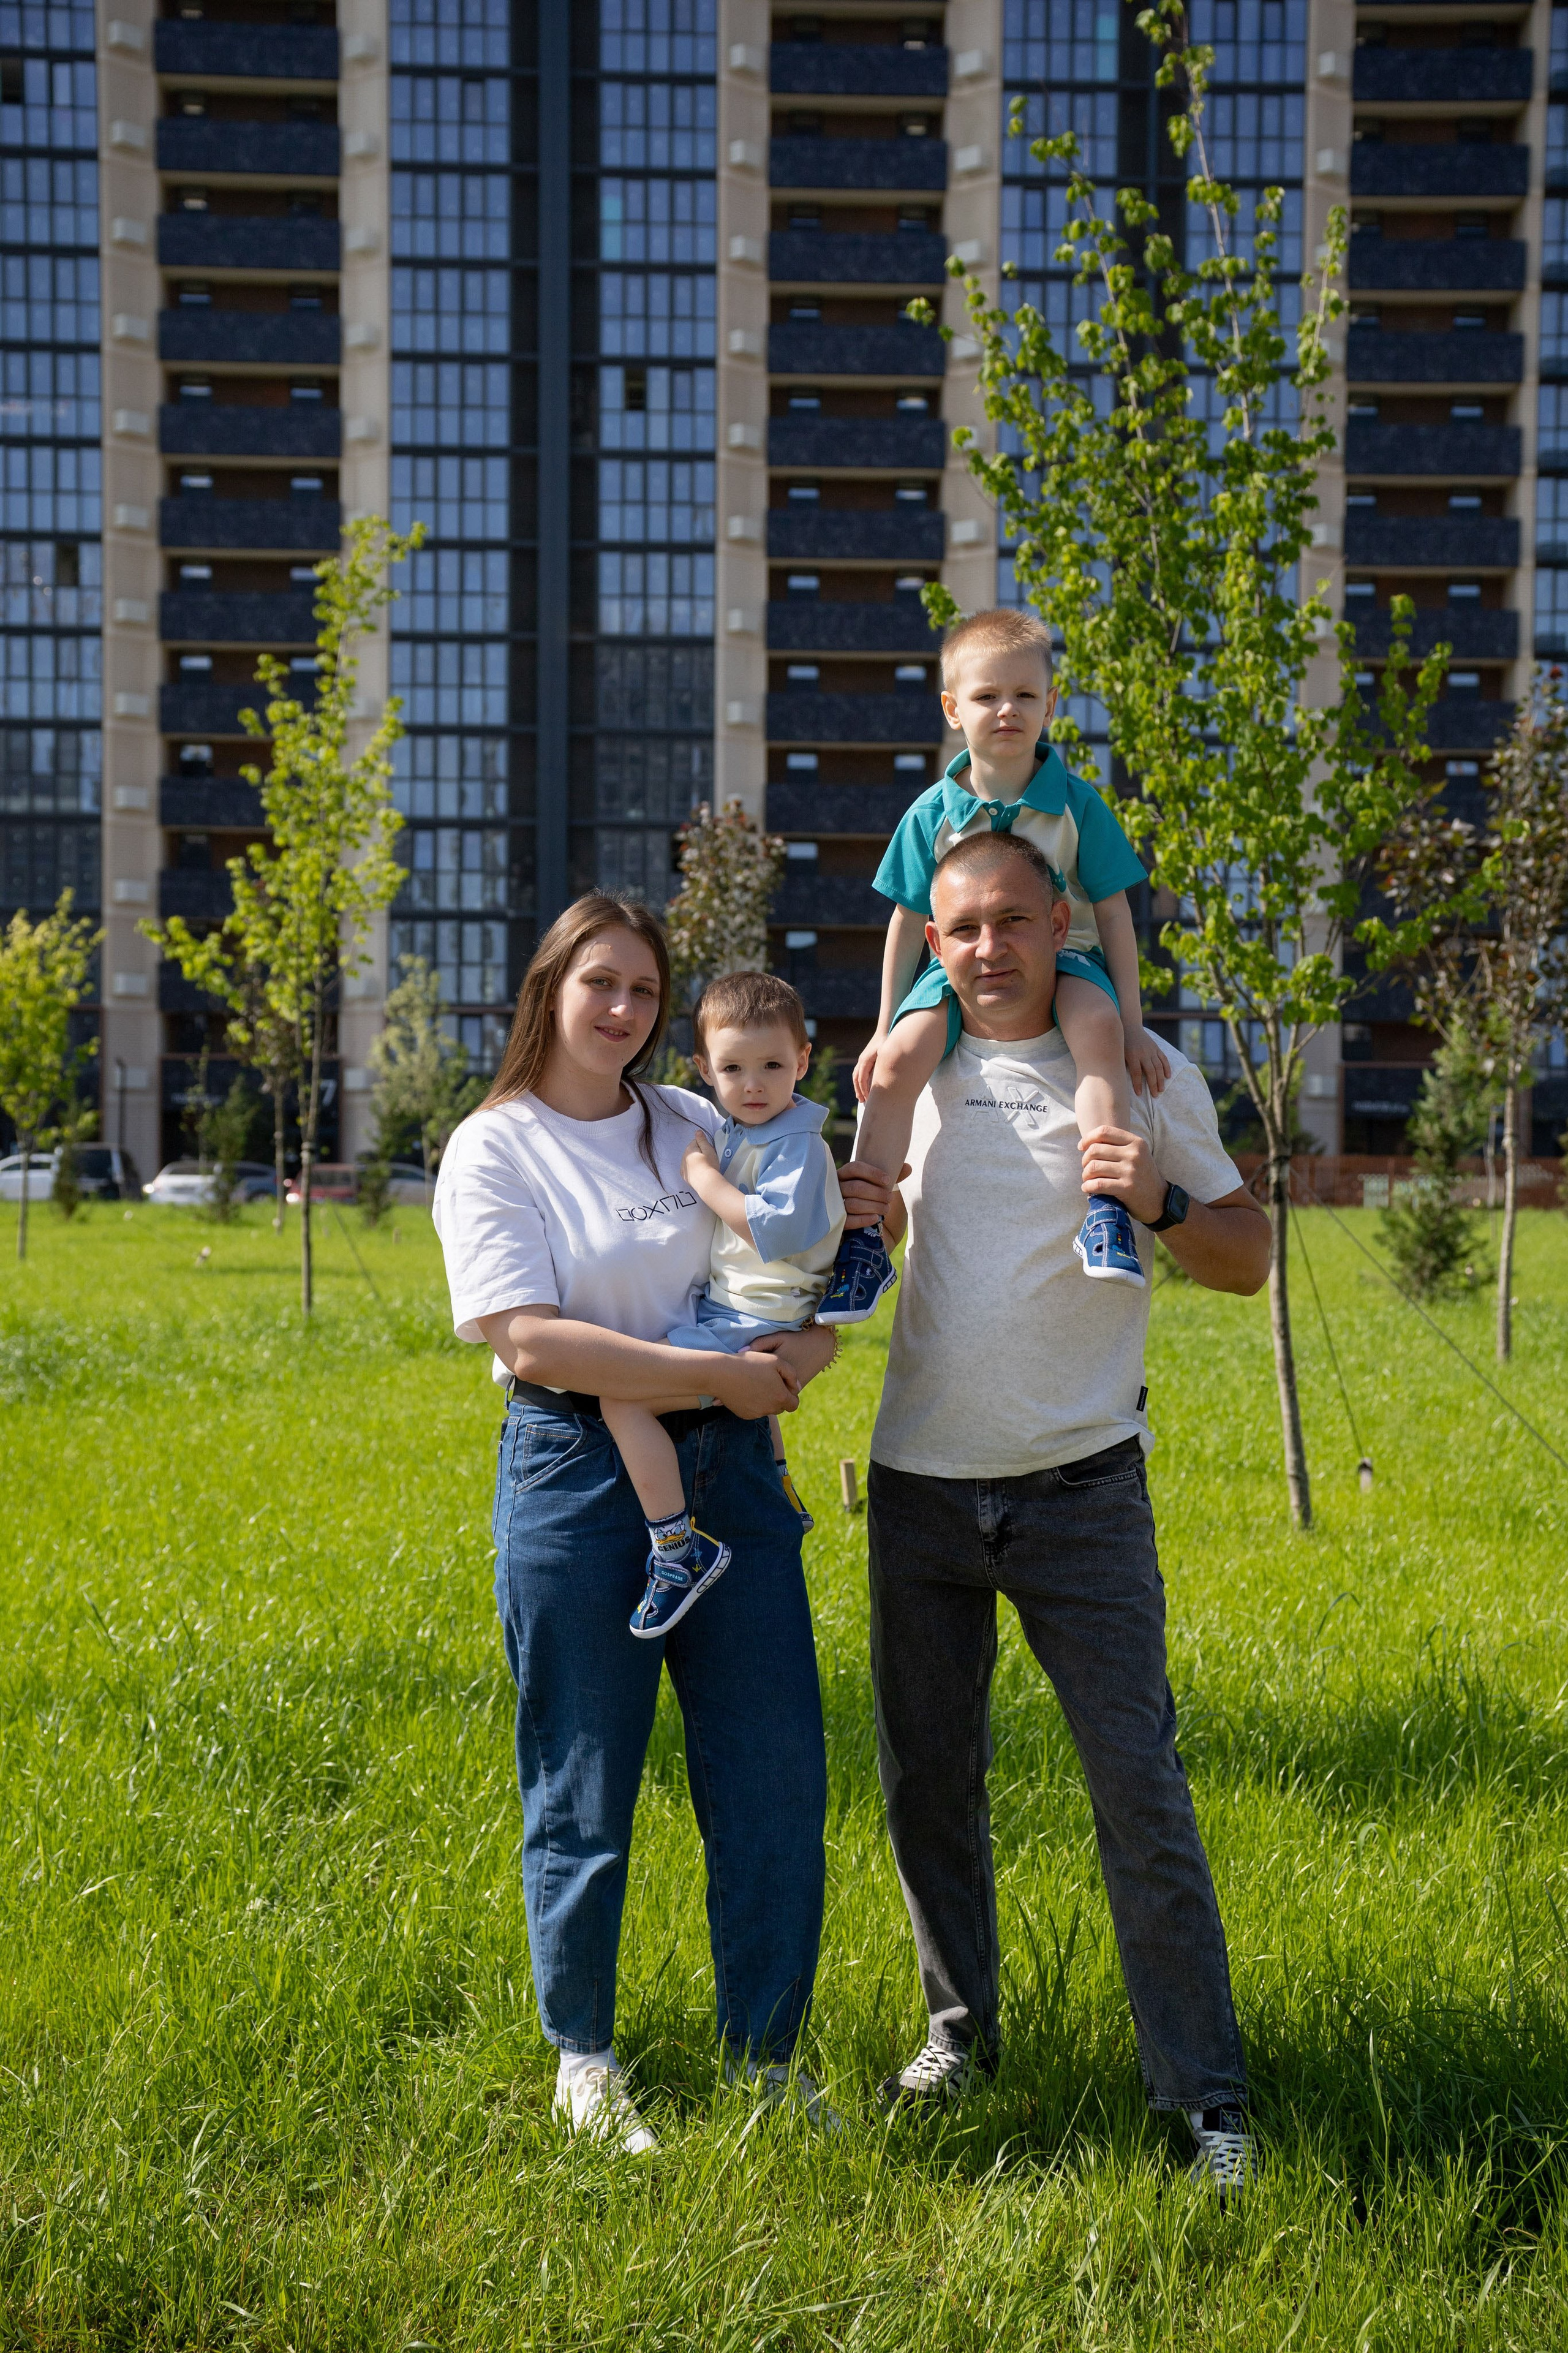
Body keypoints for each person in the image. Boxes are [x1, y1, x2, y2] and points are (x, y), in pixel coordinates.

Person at [837, 828, 1273, 2197]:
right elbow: (855, 1250)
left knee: (1138, 1792)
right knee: (928, 1787)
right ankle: (958, 2039)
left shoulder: (1140, 1071)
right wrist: (848, 1216)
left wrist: (1156, 1195)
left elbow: (1248, 1257)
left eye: (1012, 921)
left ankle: (1202, 2097)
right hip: (918, 1488)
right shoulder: (907, 1079)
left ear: (1059, 926)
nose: (987, 948)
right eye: (961, 928)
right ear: (933, 941)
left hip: (1083, 1491)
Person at [431, 894, 839, 2157]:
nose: (622, 1009)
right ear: (549, 987)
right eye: (599, 982)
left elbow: (794, 1245)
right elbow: (531, 1338)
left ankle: (766, 2059)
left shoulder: (692, 1118)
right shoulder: (496, 1147)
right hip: (576, 1473)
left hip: (734, 1470)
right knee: (584, 1774)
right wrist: (711, 1375)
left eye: (645, 991)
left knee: (774, 1776)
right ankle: (587, 2059)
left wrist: (811, 1340)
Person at [818, 606, 1170, 1325]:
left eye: (1024, 695)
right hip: (956, 969)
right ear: (953, 709)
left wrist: (1133, 1025)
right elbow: (904, 924)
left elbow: (1113, 915)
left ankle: (1105, 1207)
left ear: (1050, 705)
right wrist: (883, 1026)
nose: (1006, 709)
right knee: (896, 1066)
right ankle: (863, 1238)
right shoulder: (930, 814)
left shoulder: (1078, 806)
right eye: (986, 696)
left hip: (1065, 958)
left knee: (1097, 1030)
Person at [603, 970, 844, 1638]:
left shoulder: (794, 1142)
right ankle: (781, 1486)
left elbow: (773, 1229)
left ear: (803, 1061)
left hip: (755, 1320)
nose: (754, 1084)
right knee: (747, 1404)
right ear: (705, 1069)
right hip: (745, 1313)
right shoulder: (749, 1130)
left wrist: (704, 1178)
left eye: (773, 1066)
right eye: (734, 1068)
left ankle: (676, 1550)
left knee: (623, 1399)